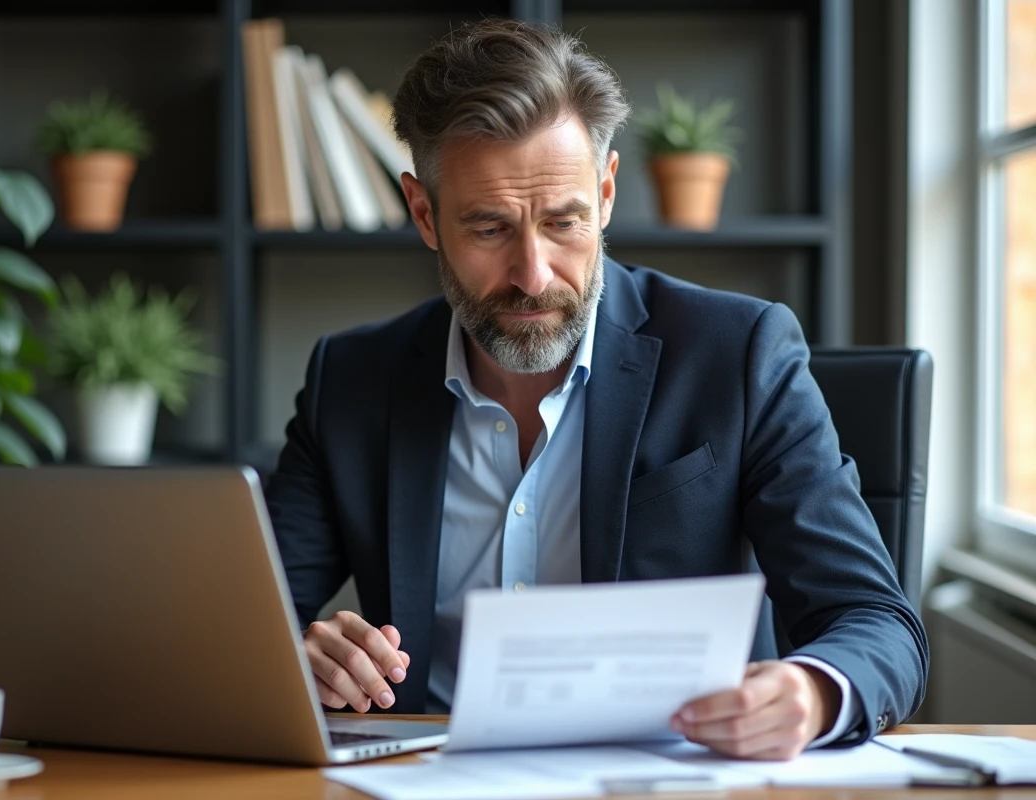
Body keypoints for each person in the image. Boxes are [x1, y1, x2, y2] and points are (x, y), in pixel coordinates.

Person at [265, 18, 927, 761]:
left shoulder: (740, 354)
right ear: (424, 213)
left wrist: (811, 694)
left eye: (564, 221)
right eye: (489, 229)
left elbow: (878, 624)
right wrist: (296, 654)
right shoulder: (351, 382)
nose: (534, 273)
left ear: (606, 194)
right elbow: (238, 631)